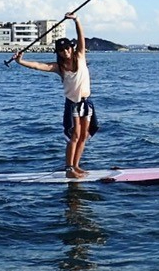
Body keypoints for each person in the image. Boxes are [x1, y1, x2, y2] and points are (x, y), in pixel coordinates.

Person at [13, 13, 97, 178]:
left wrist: (76, 20)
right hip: (73, 103)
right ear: (58, 53)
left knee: (84, 136)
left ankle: (76, 166)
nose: (65, 52)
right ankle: (68, 169)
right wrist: (20, 61)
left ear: (71, 48)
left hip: (87, 103)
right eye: (61, 50)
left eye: (67, 48)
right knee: (75, 135)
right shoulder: (59, 67)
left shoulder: (80, 57)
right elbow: (38, 65)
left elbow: (82, 39)